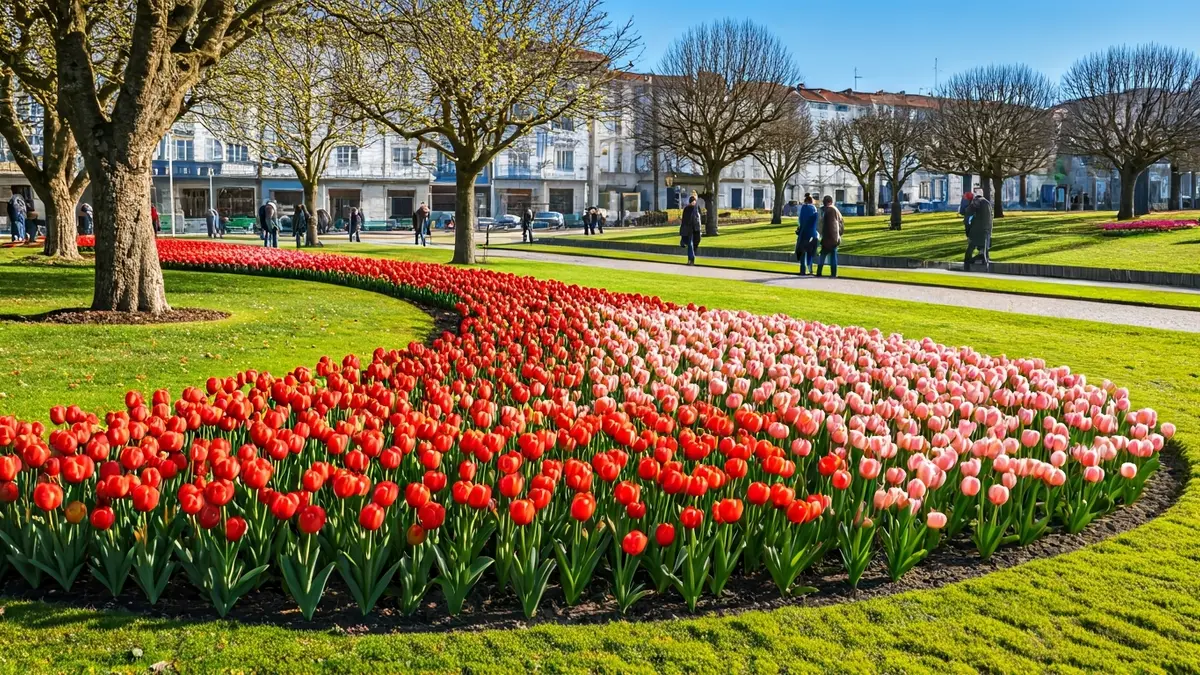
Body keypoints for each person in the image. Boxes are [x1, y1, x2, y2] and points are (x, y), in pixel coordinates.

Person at [964, 193, 993, 270]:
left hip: (976, 229)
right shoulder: (988, 203)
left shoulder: (976, 201)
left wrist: (968, 230)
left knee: (971, 246)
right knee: (984, 247)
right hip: (987, 229)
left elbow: (968, 213)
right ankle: (985, 261)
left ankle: (968, 262)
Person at [816, 195, 843, 278]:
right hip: (834, 237)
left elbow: (820, 224)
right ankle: (833, 273)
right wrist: (839, 235)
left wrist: (820, 234)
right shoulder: (835, 210)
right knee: (833, 256)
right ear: (831, 201)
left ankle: (819, 272)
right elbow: (841, 223)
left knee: (823, 255)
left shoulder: (824, 211)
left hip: (826, 237)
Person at [795, 195, 820, 275]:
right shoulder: (813, 209)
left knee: (802, 252)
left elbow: (800, 221)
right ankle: (810, 269)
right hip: (812, 233)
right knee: (810, 252)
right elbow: (816, 221)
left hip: (803, 234)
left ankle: (802, 269)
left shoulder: (802, 208)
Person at [680, 194, 702, 265]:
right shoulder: (687, 209)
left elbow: (699, 219)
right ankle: (691, 259)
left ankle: (692, 257)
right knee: (690, 244)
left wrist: (700, 228)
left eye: (694, 201)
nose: (693, 202)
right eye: (692, 201)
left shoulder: (697, 208)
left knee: (695, 243)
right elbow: (684, 221)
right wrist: (682, 232)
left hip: (696, 229)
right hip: (689, 230)